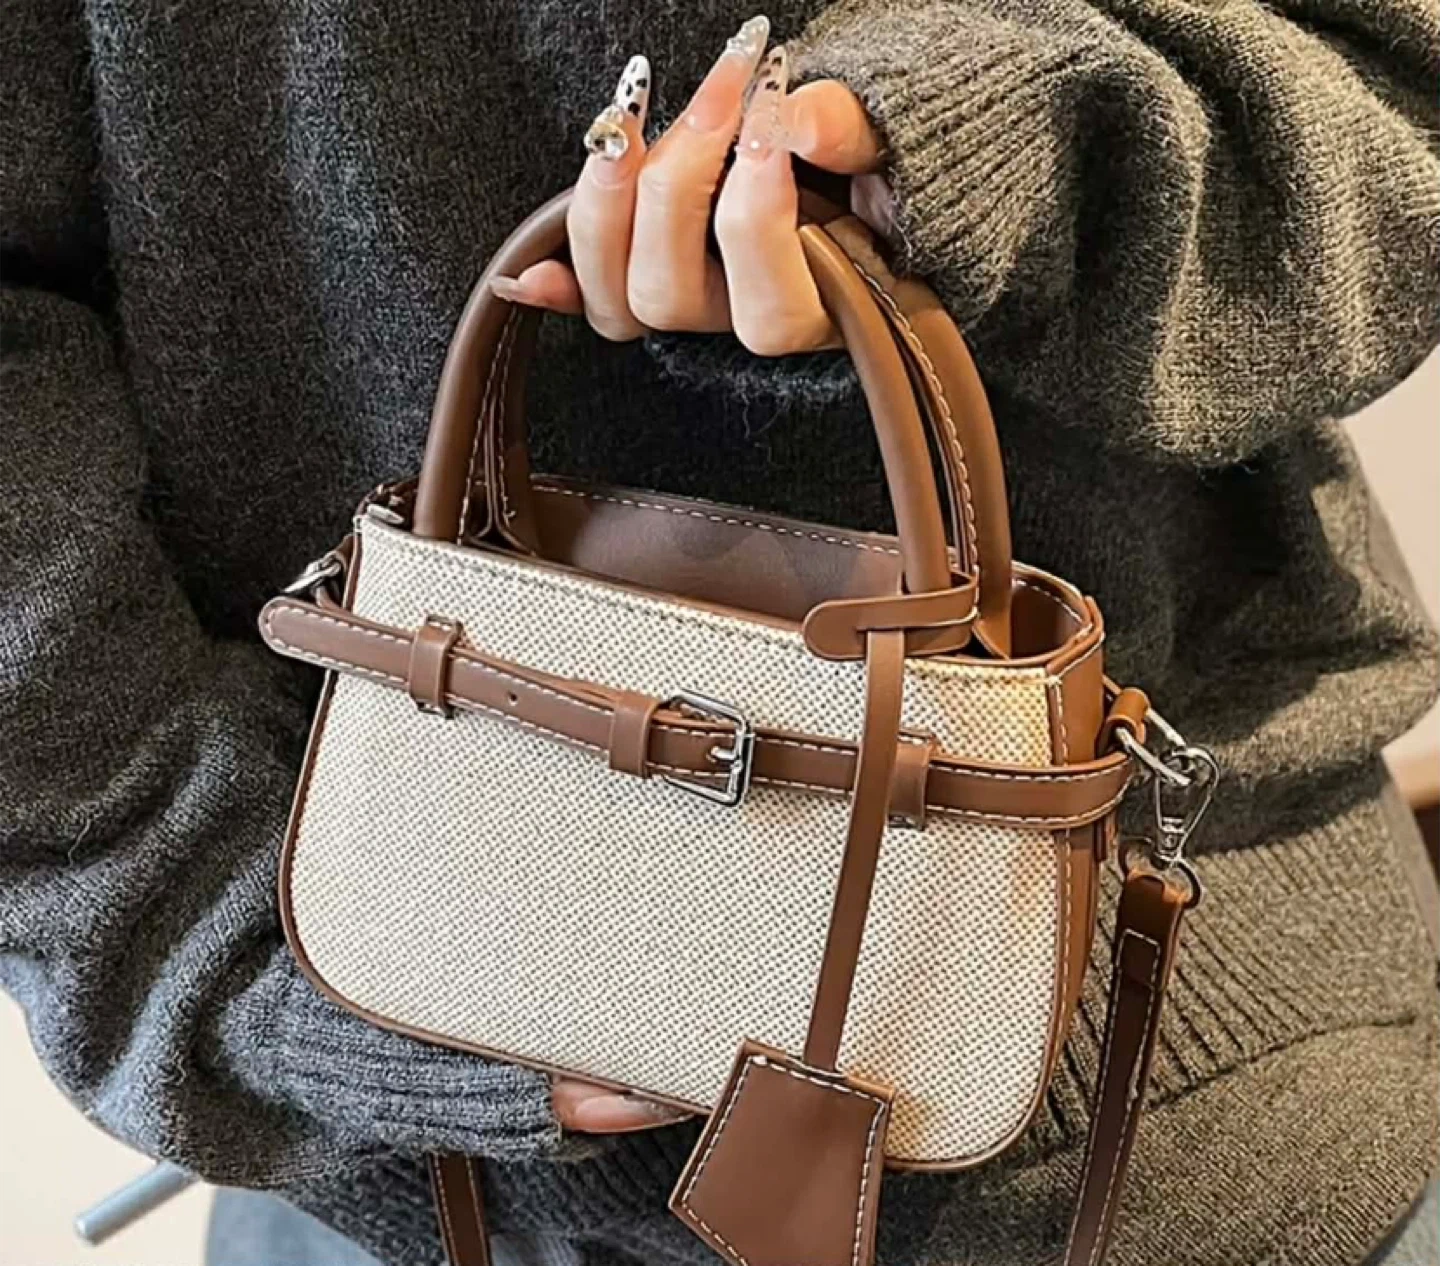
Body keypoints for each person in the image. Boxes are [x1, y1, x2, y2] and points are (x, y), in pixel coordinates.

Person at [2, 3, 1438, 1264]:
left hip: (1192, 1129)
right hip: (368, 1090)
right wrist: (213, 939)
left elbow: (1392, 92)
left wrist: (993, 143)